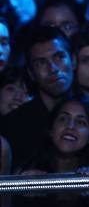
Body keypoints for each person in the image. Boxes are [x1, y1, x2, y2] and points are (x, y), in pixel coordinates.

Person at [0, 26, 77, 170]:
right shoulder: (11, 126)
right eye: (41, 62)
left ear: (73, 60)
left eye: (59, 57)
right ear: (31, 73)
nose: (53, 68)